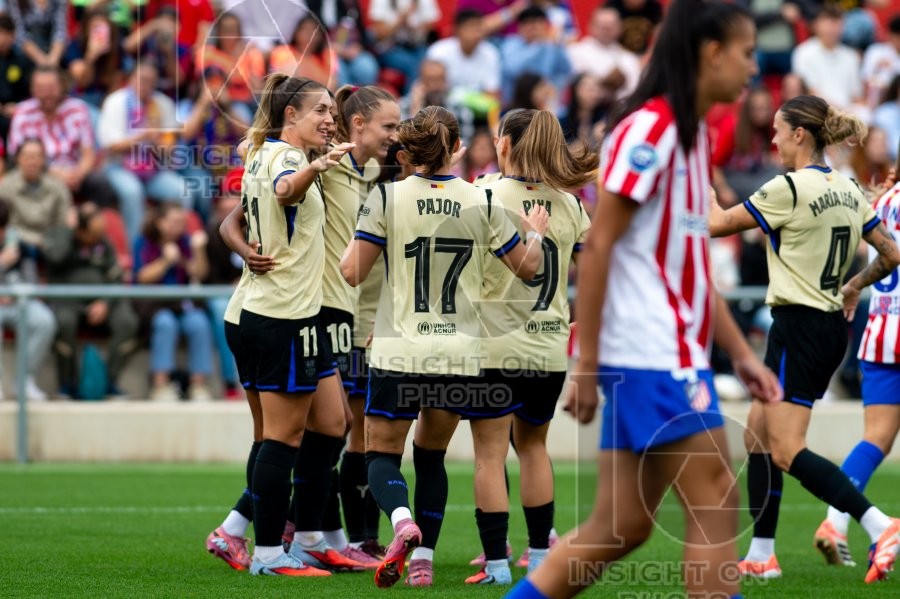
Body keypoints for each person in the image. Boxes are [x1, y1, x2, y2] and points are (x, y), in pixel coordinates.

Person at [505, 2, 781, 598]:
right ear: (712, 53)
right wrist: (587, 364)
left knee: (618, 527)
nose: (754, 67)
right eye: (747, 51)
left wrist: (741, 355)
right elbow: (599, 244)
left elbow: (689, 268)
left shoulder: (690, 136)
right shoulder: (651, 131)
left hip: (663, 350)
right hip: (649, 352)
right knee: (717, 499)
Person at [340, 105, 548, 588]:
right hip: (459, 354)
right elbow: (528, 269)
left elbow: (353, 272)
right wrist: (534, 231)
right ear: (456, 148)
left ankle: (400, 521)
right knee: (431, 456)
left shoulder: (386, 197)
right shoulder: (484, 201)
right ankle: (424, 563)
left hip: (399, 350)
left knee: (380, 456)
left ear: (409, 149)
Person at [707, 94, 900, 583]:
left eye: (777, 129)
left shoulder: (788, 188)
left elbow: (714, 225)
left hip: (798, 326)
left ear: (800, 134)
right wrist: (854, 285)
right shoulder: (848, 187)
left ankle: (880, 525)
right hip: (826, 325)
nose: (771, 137)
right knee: (757, 433)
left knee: (786, 450)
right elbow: (891, 254)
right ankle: (762, 554)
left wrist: (700, 191)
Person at [465, 108, 596, 586]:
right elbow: (600, 261)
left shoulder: (483, 194)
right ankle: (541, 558)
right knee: (535, 448)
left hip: (495, 346)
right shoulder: (569, 201)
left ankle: (496, 566)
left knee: (490, 455)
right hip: (548, 347)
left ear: (505, 144)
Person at [237, 73, 354, 576]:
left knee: (323, 426)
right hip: (281, 315)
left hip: (273, 310)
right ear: (291, 115)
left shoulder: (258, 152)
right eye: (320, 112)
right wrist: (314, 169)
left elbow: (243, 214)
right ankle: (268, 553)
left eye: (331, 112)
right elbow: (285, 191)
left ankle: (290, 537)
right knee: (281, 440)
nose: (329, 120)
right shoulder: (287, 158)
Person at [316, 84, 401, 565]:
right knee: (334, 428)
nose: (395, 135)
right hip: (331, 313)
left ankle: (355, 538)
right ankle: (299, 528)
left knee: (356, 430)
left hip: (368, 319)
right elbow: (258, 147)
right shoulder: (326, 164)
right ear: (358, 124)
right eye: (388, 125)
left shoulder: (376, 171)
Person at [813, 174, 900, 568]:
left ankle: (837, 523)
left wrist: (853, 287)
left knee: (874, 440)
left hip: (881, 333)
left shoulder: (884, 200)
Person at [44, 202, 139, 399]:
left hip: (100, 302)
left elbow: (116, 277)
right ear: (80, 229)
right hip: (67, 301)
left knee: (127, 321)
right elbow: (54, 258)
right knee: (64, 321)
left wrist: (104, 302)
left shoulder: (103, 242)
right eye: (93, 234)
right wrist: (72, 235)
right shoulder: (61, 236)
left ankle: (110, 381)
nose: (98, 239)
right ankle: (67, 383)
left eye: (100, 234)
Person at [98, 61, 195, 245]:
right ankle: (137, 249)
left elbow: (169, 148)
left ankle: (179, 246)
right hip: (119, 166)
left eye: (151, 81)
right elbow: (111, 145)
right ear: (131, 79)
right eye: (142, 79)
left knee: (183, 191)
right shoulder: (115, 101)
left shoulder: (162, 104)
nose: (146, 84)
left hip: (153, 169)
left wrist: (157, 141)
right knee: (133, 192)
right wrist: (143, 135)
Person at [133, 203, 214, 401]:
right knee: (165, 323)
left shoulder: (186, 241)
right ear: (160, 223)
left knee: (199, 323)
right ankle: (161, 385)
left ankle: (198, 385)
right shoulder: (144, 242)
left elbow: (200, 273)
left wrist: (199, 251)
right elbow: (141, 277)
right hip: (154, 303)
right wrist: (166, 261)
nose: (180, 226)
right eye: (174, 222)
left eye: (182, 222)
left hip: (181, 303)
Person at [0, 200, 56, 401]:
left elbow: (31, 280)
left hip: (18, 302)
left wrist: (15, 294)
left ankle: (24, 380)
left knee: (44, 320)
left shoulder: (20, 245)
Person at [0, 137, 72, 268]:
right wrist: (32, 240)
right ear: (18, 159)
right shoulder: (6, 187)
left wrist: (49, 240)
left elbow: (62, 222)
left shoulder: (57, 188)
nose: (32, 162)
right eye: (27, 156)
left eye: (37, 156)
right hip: (17, 243)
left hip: (50, 243)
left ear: (43, 159)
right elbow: (5, 222)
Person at [500, 7, 571, 108]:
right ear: (519, 27)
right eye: (527, 24)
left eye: (537, 24)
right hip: (515, 105)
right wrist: (537, 44)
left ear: (545, 26)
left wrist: (557, 45)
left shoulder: (551, 46)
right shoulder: (511, 43)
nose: (532, 29)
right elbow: (512, 69)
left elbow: (566, 71)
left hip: (545, 102)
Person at [8, 0, 67, 68]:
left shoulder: (59, 2)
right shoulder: (15, 2)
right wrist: (41, 60)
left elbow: (60, 31)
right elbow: (19, 33)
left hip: (52, 51)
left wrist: (53, 60)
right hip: (25, 52)